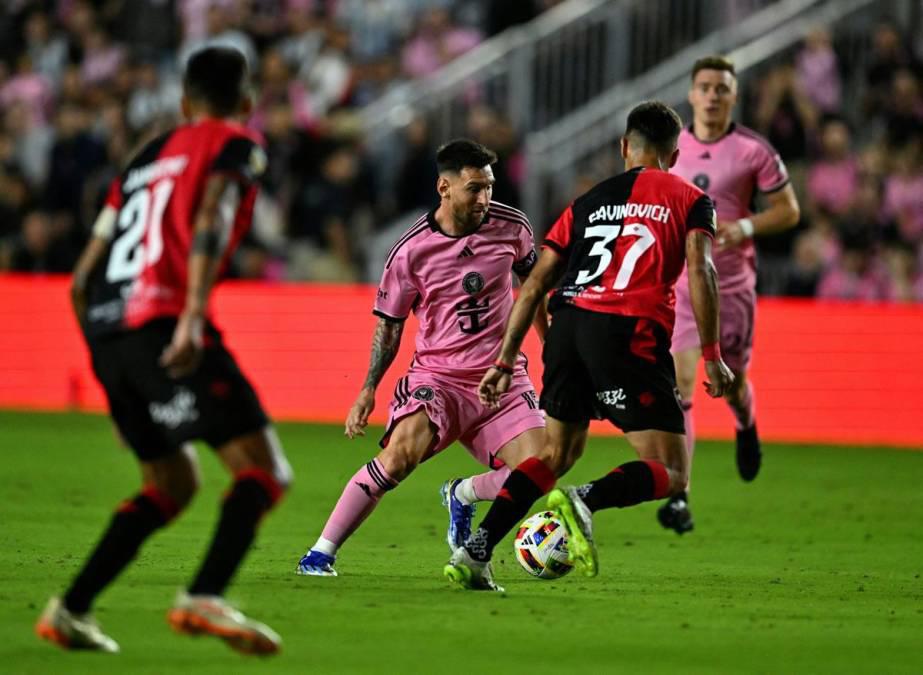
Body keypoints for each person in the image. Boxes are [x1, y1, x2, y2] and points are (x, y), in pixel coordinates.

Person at [35, 47, 292, 655]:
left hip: (106, 333)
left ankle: (70, 610)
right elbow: (212, 213)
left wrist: (109, 369)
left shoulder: (141, 160)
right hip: (166, 320)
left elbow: (79, 280)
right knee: (264, 470)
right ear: (247, 102)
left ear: (184, 103)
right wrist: (193, 316)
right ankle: (204, 595)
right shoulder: (235, 144)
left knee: (172, 482)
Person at [444, 101, 734, 591]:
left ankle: (475, 552)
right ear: (675, 153)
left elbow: (533, 284)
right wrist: (712, 354)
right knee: (671, 470)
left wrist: (505, 358)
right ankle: (587, 500)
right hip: (626, 330)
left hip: (568, 328)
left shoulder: (586, 202)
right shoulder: (689, 197)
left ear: (624, 147)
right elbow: (701, 270)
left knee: (554, 453)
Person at [295, 139, 547, 576]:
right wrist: (368, 389)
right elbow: (389, 327)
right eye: (474, 188)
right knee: (398, 458)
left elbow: (534, 291)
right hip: (440, 379)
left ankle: (464, 494)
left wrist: (556, 352)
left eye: (489, 186)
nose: (485, 198)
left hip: (502, 379)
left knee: (541, 469)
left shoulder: (513, 226)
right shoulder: (411, 251)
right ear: (443, 187)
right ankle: (321, 552)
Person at [661, 56, 800, 534]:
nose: (713, 95)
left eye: (722, 88)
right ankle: (680, 495)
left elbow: (789, 211)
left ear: (734, 96)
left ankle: (746, 423)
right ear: (692, 93)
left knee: (733, 383)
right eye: (705, 87)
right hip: (680, 280)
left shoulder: (752, 150)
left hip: (732, 285)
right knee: (679, 383)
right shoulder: (671, 147)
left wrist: (744, 225)